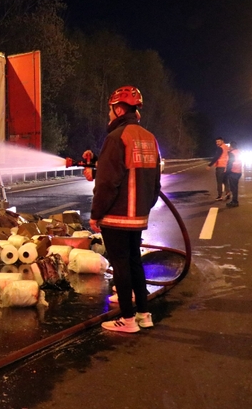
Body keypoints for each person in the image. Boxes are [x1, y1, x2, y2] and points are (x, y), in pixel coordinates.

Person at [89, 85, 161, 333]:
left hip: (117, 217)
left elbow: (108, 182)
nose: (109, 115)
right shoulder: (149, 138)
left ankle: (127, 319)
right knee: (134, 263)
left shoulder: (116, 137)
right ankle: (144, 314)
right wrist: (143, 208)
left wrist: (96, 215)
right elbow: (155, 184)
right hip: (138, 217)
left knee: (120, 265)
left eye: (110, 110)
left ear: (119, 109)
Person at [224, 141, 242, 207]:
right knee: (235, 187)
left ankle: (234, 201)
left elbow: (230, 164)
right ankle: (234, 201)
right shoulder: (238, 152)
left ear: (231, 146)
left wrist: (226, 172)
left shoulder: (232, 153)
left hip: (233, 172)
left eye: (229, 146)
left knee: (233, 188)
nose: (229, 147)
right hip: (238, 171)